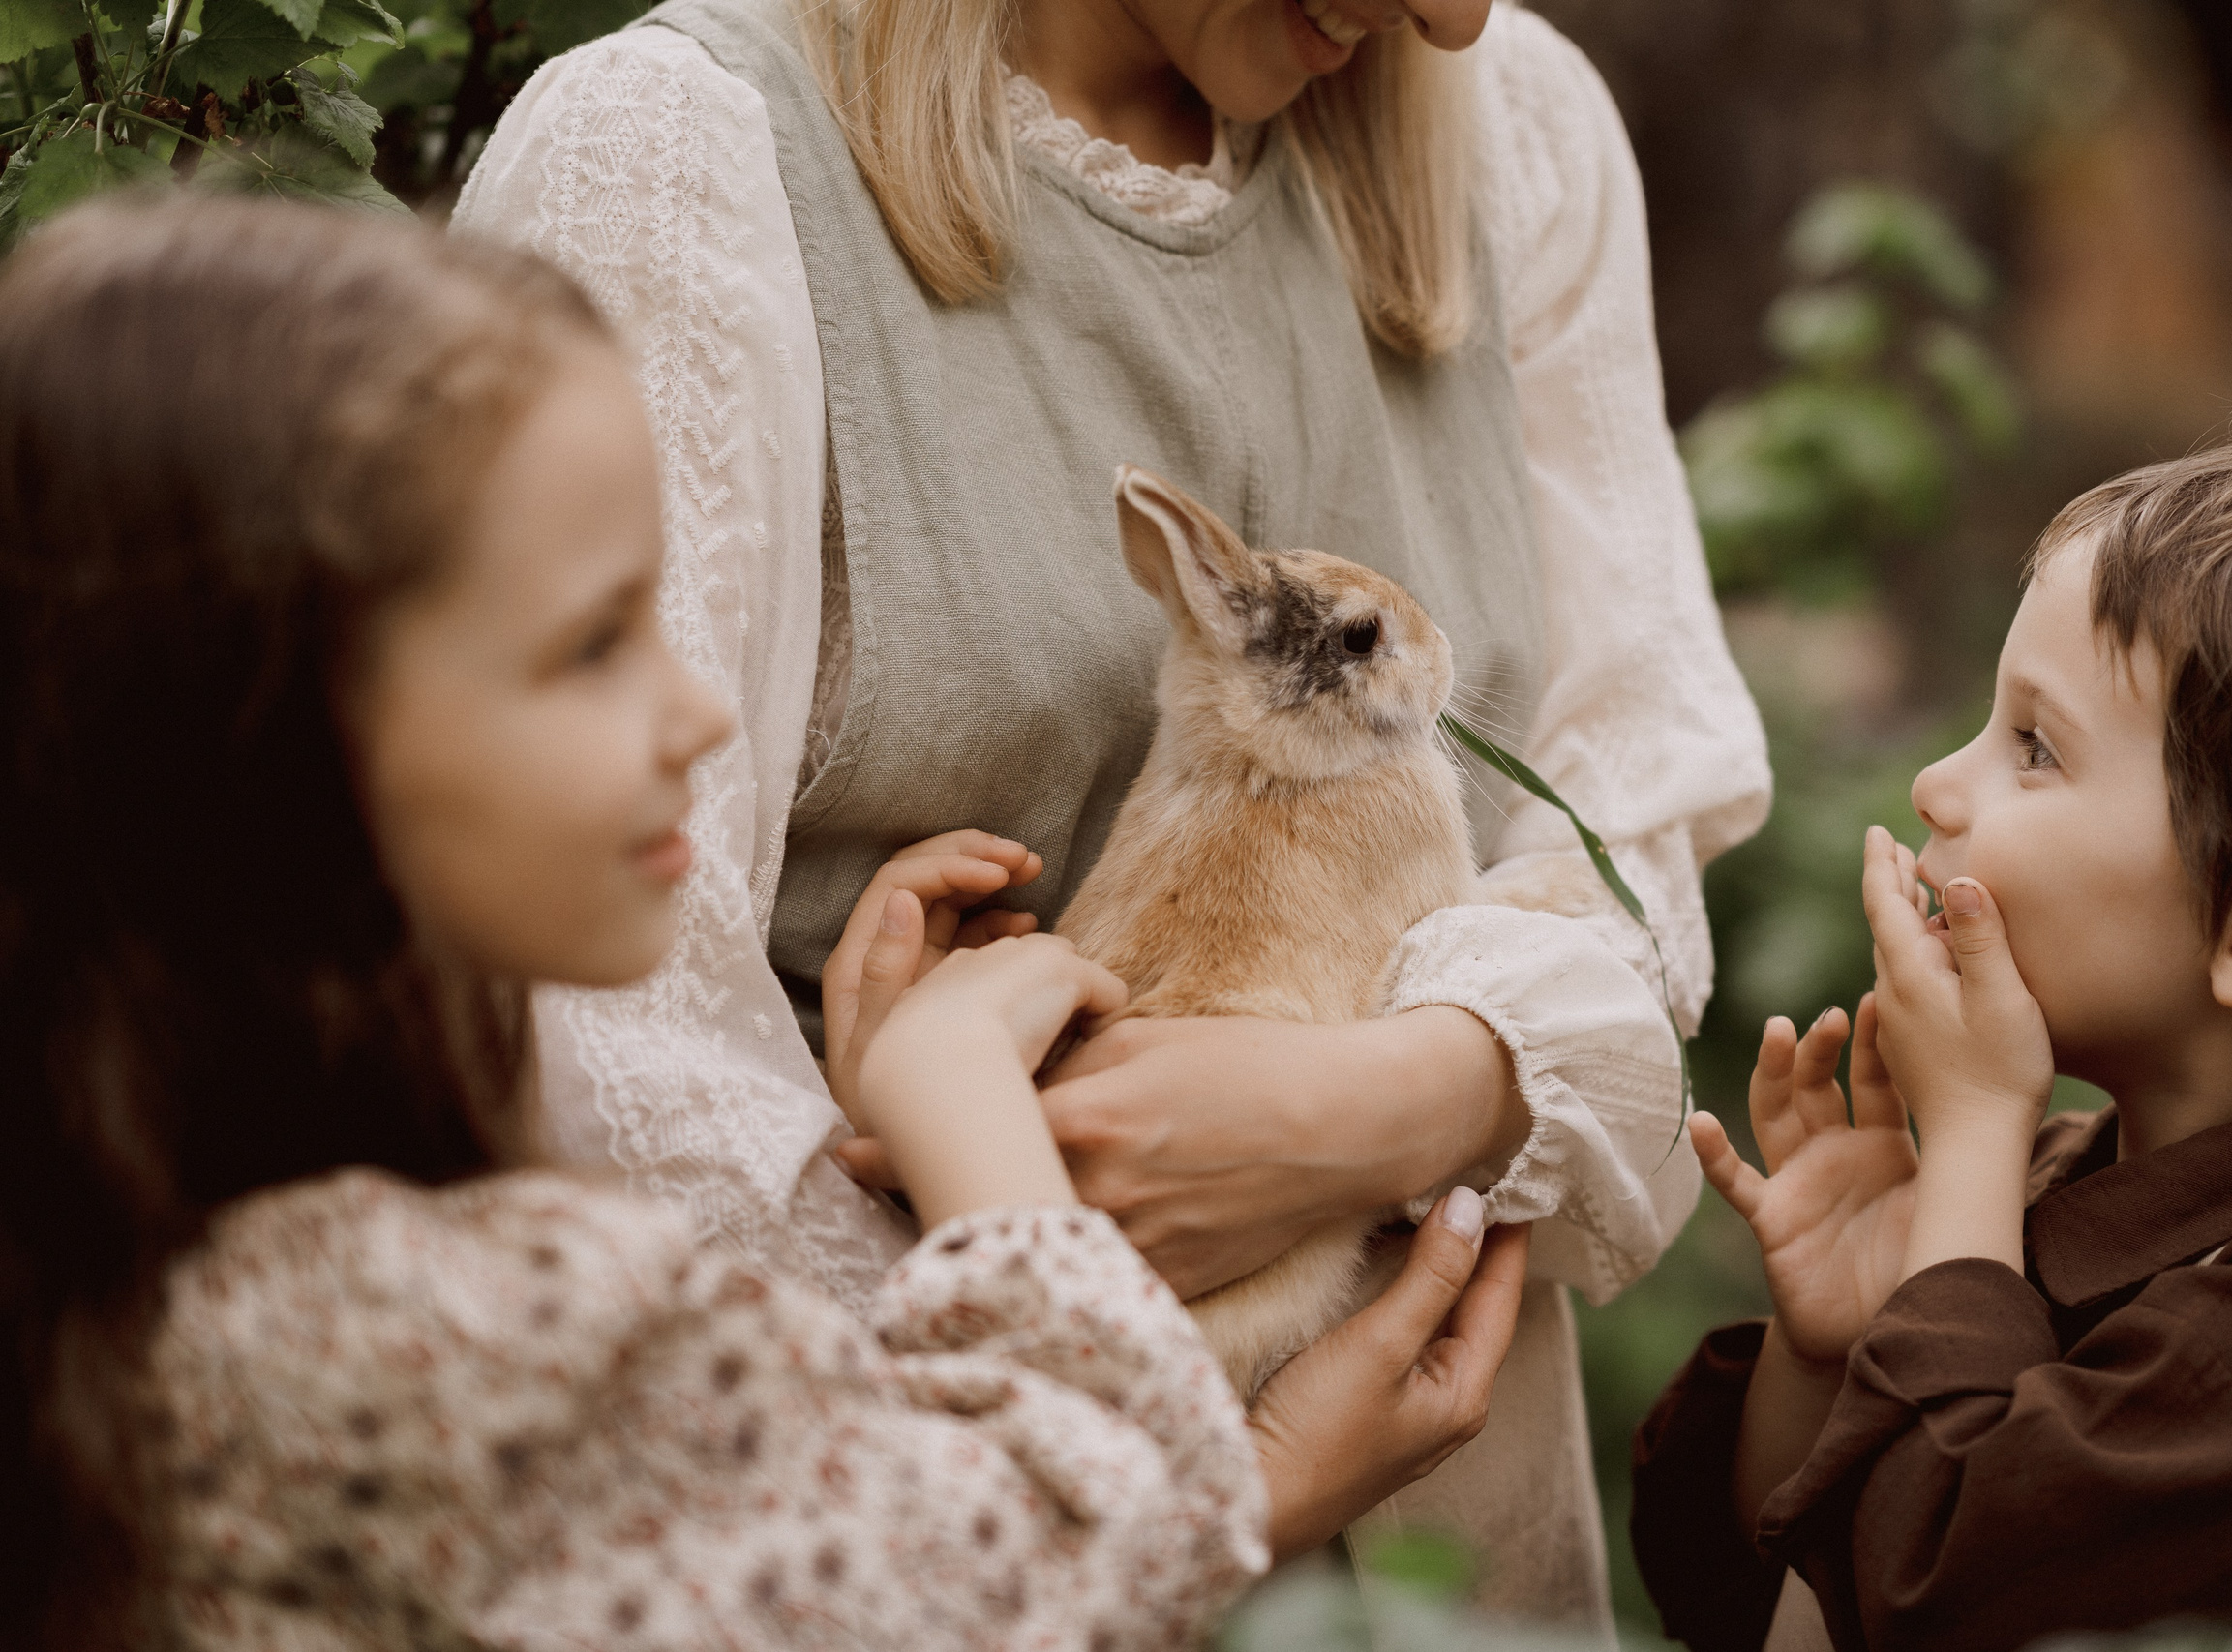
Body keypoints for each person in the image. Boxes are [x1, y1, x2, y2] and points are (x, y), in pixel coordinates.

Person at [0, 195, 1533, 1649]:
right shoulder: (444, 1327)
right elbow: (1054, 1552)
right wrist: (963, 1106)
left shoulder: (135, 1282)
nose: (701, 706)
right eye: (594, 644)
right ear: (284, 743)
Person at [454, 0, 1767, 1621]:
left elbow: (1635, 836)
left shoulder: (1515, 129)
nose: (1456, 16)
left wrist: (1402, 1101)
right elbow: (604, 1046)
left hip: (1443, 1537)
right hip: (910, 1539)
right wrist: (1146, 1440)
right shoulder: (680, 157)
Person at [1632, 433, 2232, 1651]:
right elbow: (1720, 1594)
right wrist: (1832, 1348)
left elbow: (1945, 1591)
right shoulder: (2066, 1180)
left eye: (2035, 747)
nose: (1935, 782)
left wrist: (1971, 1136)